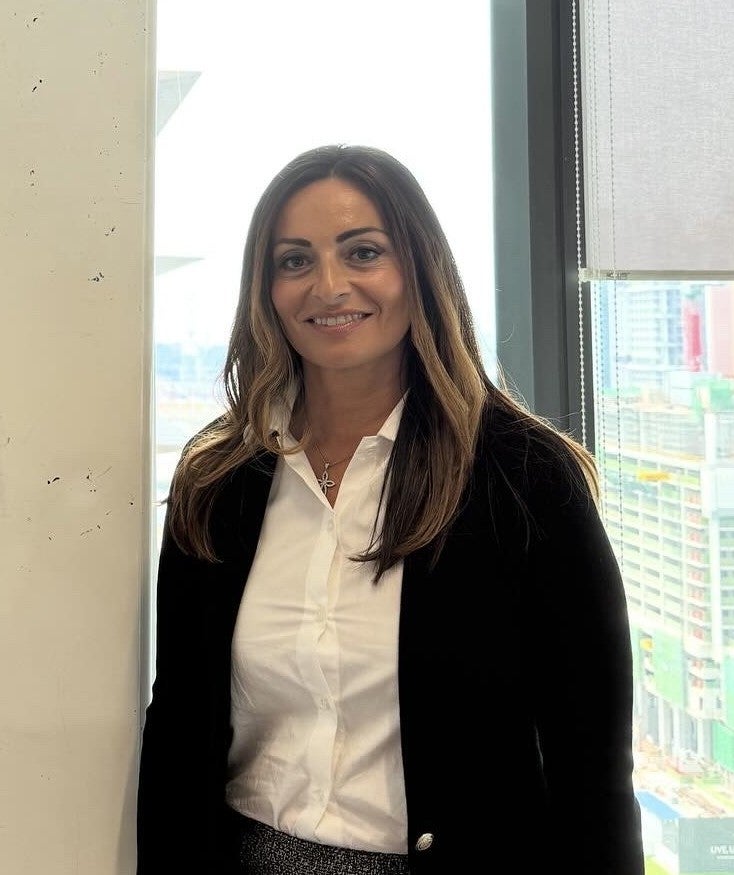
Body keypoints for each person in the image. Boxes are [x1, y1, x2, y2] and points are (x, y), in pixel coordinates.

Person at [136, 143, 645, 874]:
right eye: (294, 260)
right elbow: (179, 723)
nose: (329, 285)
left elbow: (591, 767)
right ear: (266, 288)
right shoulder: (217, 478)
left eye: (363, 251)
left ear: (419, 269)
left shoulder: (526, 478)